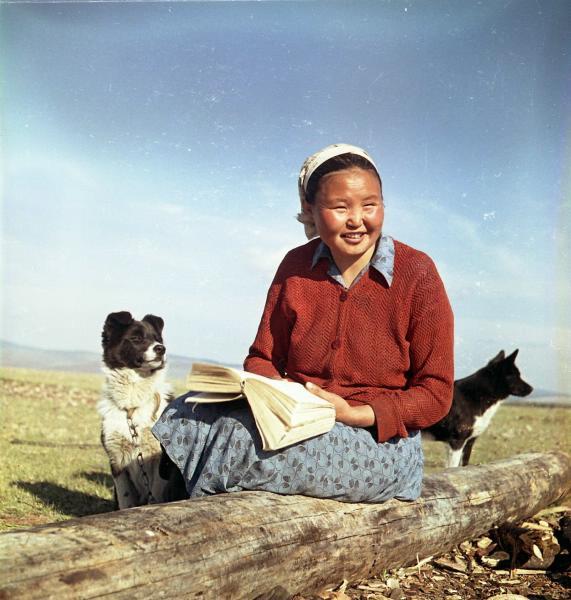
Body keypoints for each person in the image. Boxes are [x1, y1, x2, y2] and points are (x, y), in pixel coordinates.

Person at [153, 143, 454, 503]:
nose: (357, 219)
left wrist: (355, 414)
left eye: (370, 205)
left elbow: (436, 393)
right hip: (297, 423)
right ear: (310, 211)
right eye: (340, 207)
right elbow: (262, 356)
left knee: (234, 438)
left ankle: (180, 524)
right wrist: (279, 395)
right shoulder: (295, 267)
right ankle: (167, 517)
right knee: (186, 411)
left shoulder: (417, 273)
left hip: (379, 444)